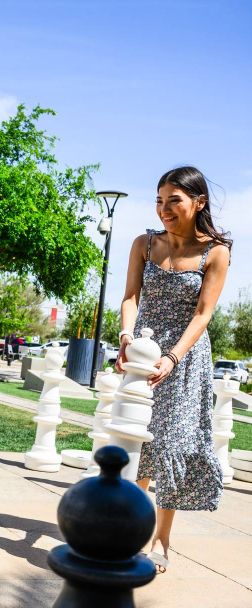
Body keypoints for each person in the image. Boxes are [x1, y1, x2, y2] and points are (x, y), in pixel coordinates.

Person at [117, 166, 232, 573]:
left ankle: (159, 539)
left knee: (168, 444)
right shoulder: (144, 244)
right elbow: (130, 295)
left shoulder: (215, 251)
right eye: (159, 200)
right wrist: (126, 337)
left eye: (174, 201)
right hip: (144, 351)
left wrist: (173, 357)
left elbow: (204, 314)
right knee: (136, 439)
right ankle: (127, 530)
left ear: (198, 202)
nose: (164, 209)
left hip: (184, 359)